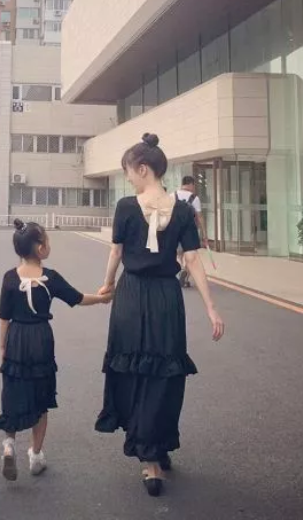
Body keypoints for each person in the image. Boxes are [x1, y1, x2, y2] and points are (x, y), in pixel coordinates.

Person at [95, 134, 225, 497]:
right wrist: (211, 307)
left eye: (128, 172)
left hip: (132, 295)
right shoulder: (181, 211)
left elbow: (117, 252)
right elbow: (192, 259)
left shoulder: (126, 207)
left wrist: (107, 285)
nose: (128, 179)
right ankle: (155, 445)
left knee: (136, 371)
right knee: (164, 372)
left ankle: (150, 457)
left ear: (143, 169)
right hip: (167, 298)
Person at [0, 219, 111, 481]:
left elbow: (3, 317)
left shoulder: (10, 278)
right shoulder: (51, 278)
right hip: (41, 339)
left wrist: (2, 345)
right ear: (40, 248)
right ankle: (35, 455)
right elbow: (78, 298)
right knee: (41, 396)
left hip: (16, 338)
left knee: (13, 390)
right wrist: (103, 298)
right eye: (47, 240)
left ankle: (9, 444)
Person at [175, 176, 207, 287]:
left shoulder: (172, 196)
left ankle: (180, 270)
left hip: (175, 231)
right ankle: (185, 274)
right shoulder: (194, 198)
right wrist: (204, 234)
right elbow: (199, 217)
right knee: (191, 257)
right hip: (190, 231)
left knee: (178, 254)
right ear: (191, 184)